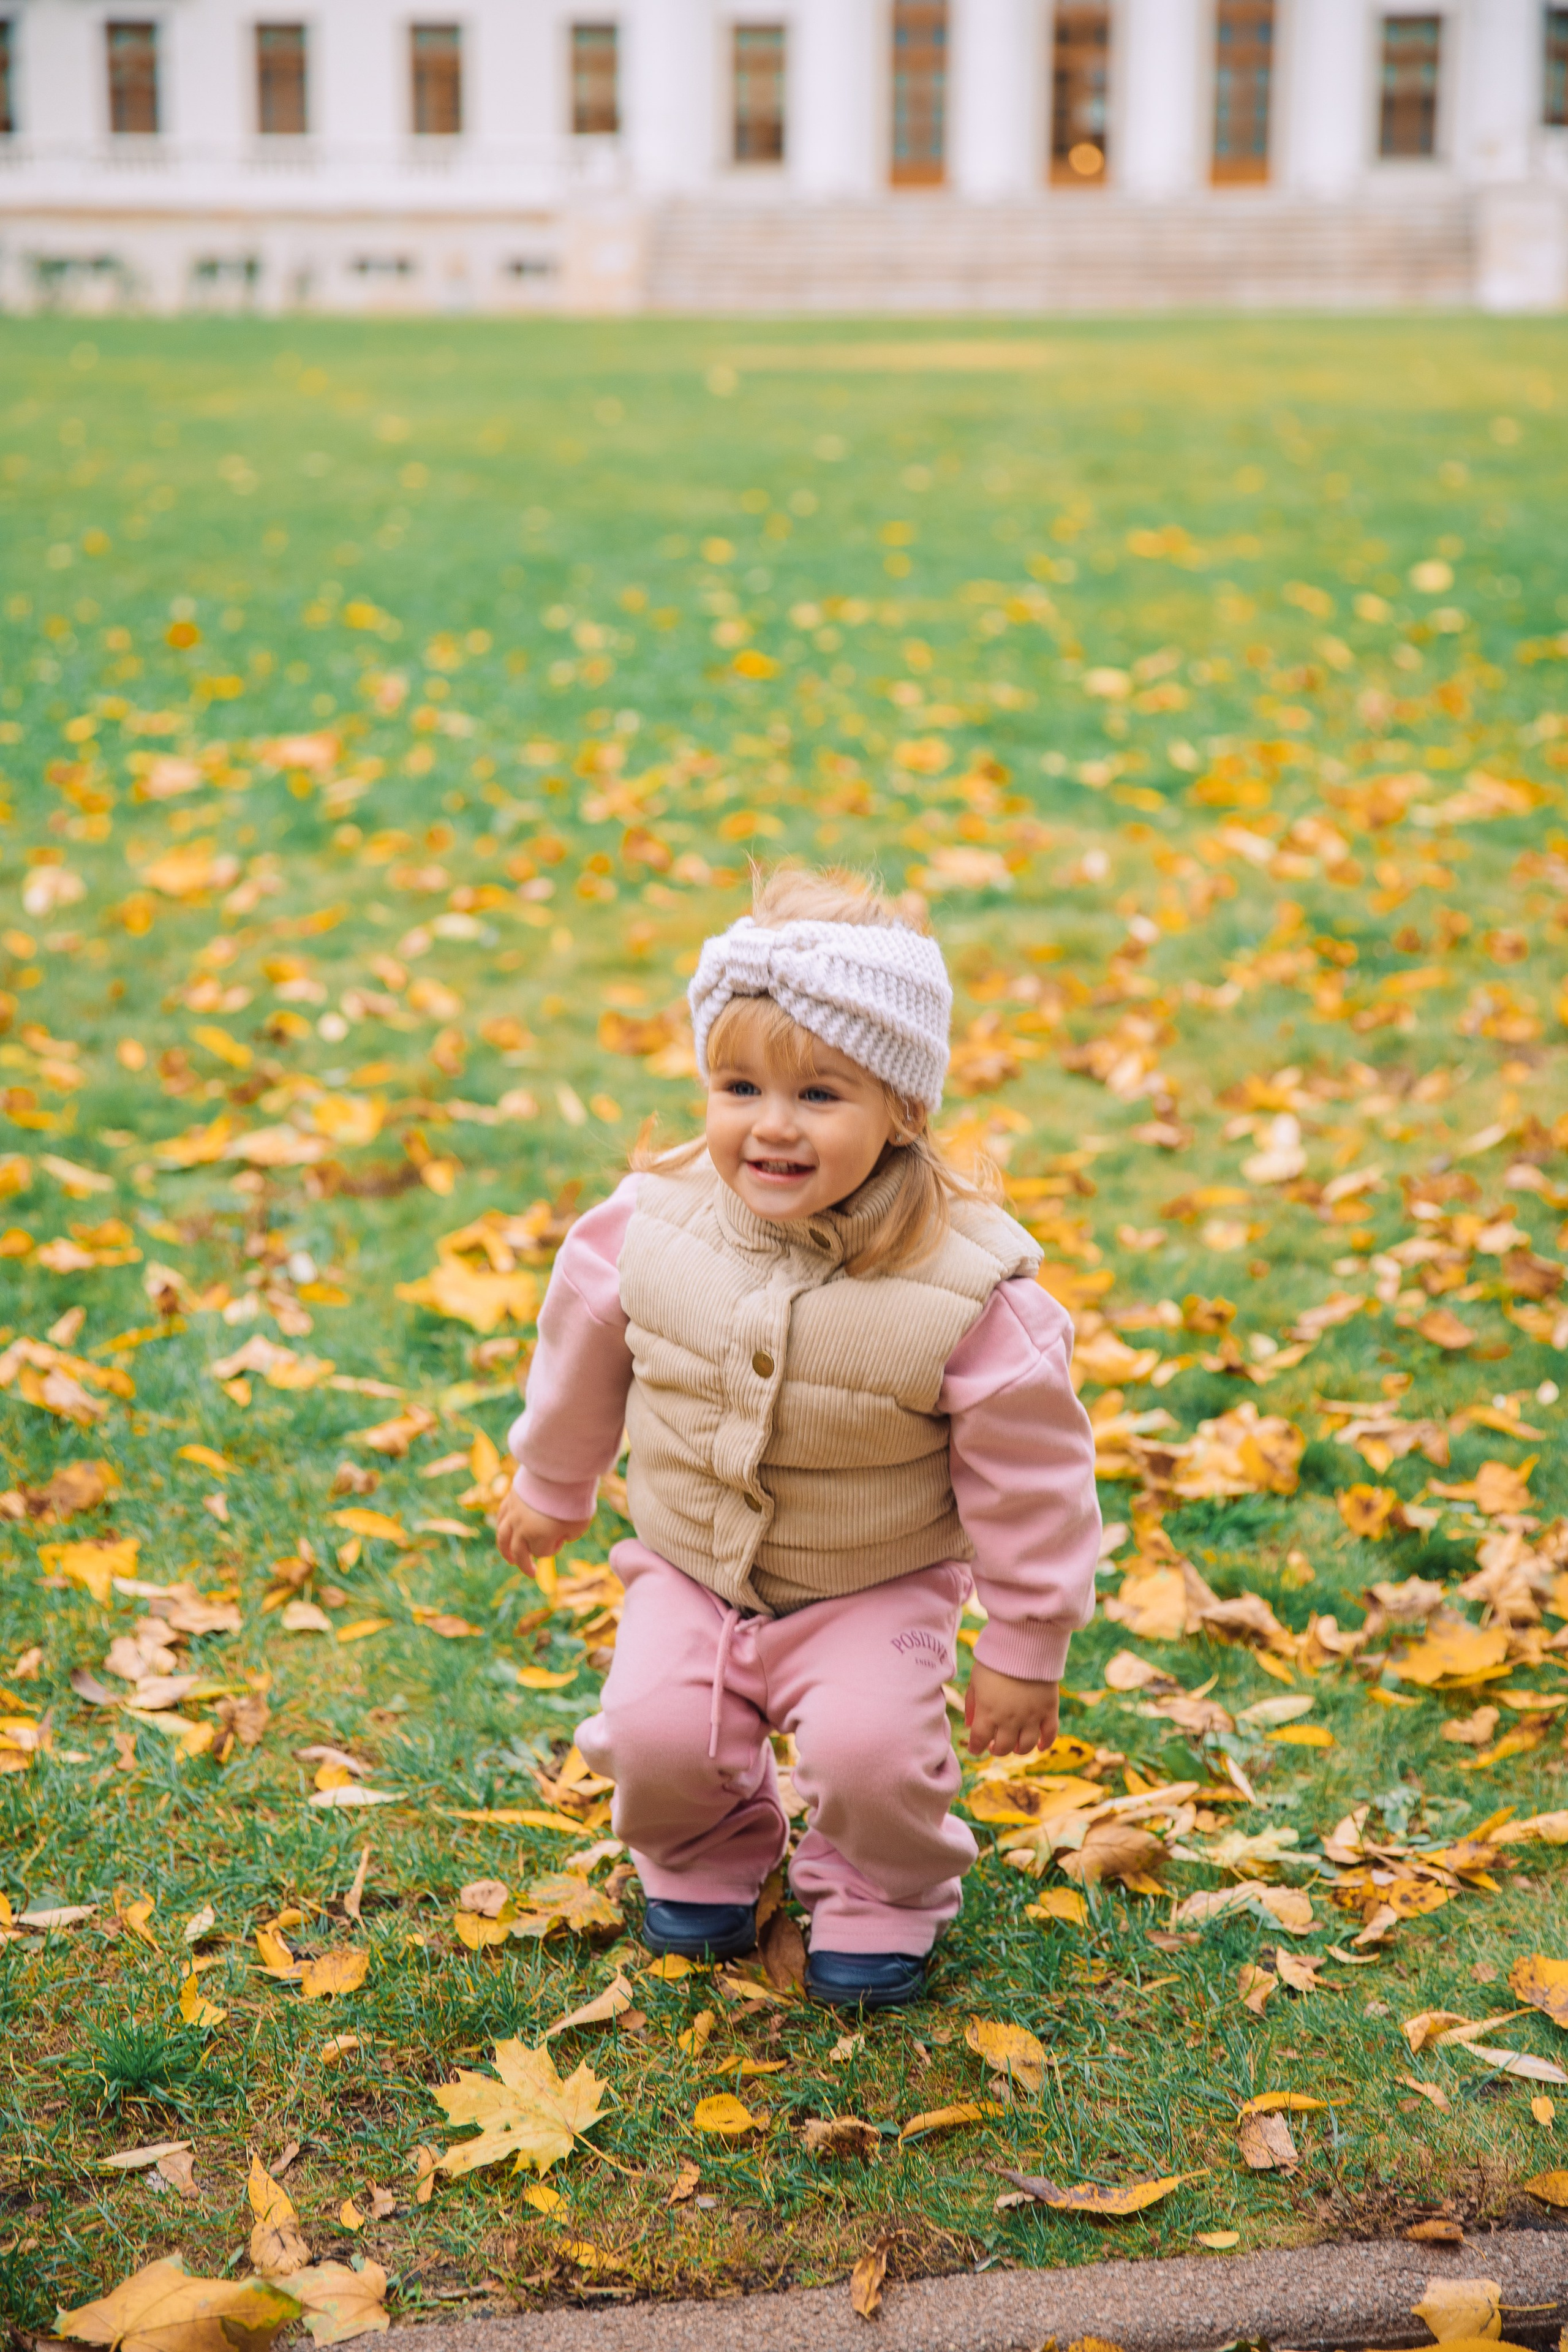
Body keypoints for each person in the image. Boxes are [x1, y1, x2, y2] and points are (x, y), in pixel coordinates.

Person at [497, 866, 1099, 2009]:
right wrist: (551, 1481)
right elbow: (581, 1355)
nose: (771, 1124)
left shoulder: (969, 1291)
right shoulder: (649, 1226)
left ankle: (882, 1893)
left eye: (821, 1094)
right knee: (654, 1737)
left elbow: (1035, 1481)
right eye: (739, 1087)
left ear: (903, 1109)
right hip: (691, 1564)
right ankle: (705, 1851)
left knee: (875, 1759)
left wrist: (1026, 1641)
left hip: (872, 1581)